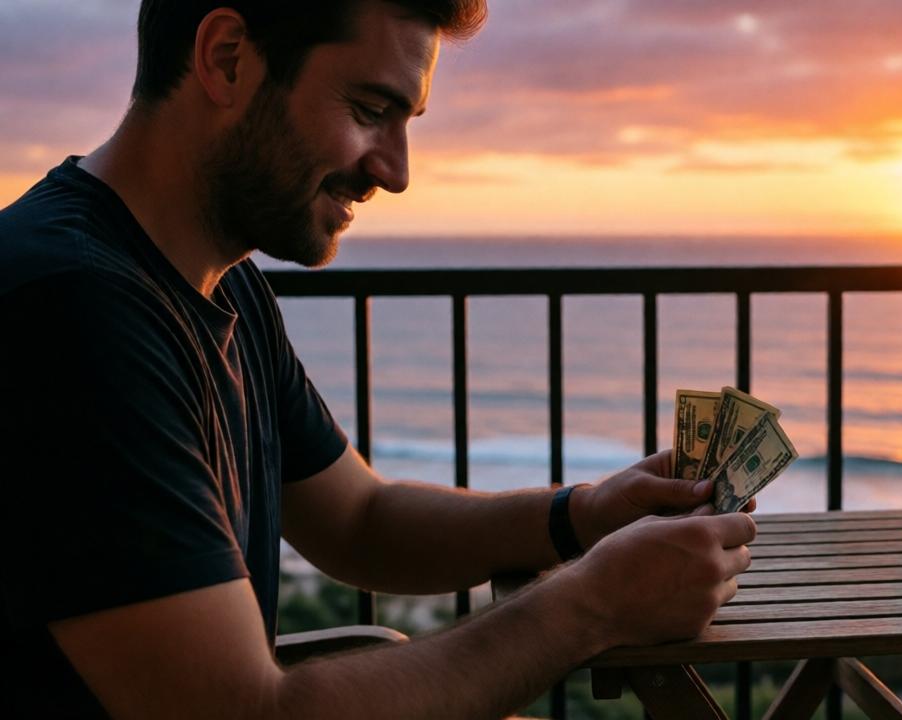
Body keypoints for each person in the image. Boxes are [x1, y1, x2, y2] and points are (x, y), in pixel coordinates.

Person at [0, 1, 757, 717]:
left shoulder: (219, 284)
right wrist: (594, 604)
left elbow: (362, 520)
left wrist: (580, 515)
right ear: (227, 59)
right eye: (370, 111)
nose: (395, 171)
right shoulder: (70, 307)